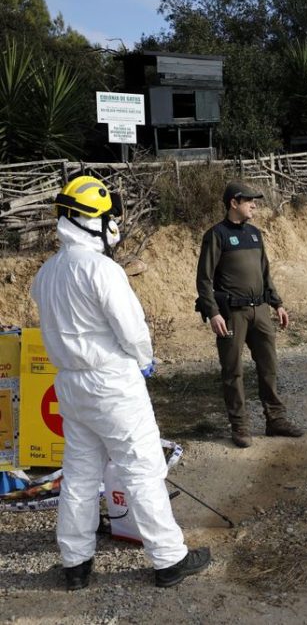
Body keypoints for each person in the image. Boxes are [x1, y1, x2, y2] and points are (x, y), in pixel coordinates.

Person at [30, 176, 210, 591]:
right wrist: (145, 360)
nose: (114, 223)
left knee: (79, 474)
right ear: (94, 219)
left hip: (70, 385)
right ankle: (169, 559)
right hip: (111, 382)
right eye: (110, 216)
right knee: (142, 468)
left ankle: (75, 563)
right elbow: (131, 329)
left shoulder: (46, 273)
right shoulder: (101, 269)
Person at [195, 181, 303, 448]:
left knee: (269, 367)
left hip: (261, 312)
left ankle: (275, 420)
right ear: (234, 203)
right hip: (232, 314)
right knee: (233, 371)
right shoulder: (216, 235)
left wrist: (277, 304)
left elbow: (265, 273)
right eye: (249, 200)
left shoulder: (255, 234)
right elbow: (204, 279)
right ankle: (240, 425)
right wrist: (213, 313)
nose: (254, 204)